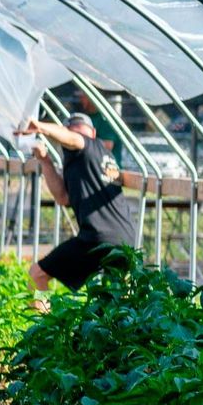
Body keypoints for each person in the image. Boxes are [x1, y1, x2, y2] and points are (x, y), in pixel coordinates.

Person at [19, 113, 137, 291]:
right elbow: (63, 198)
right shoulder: (85, 161)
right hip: (123, 237)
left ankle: (43, 317)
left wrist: (40, 126)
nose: (75, 133)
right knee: (117, 297)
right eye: (71, 128)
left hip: (98, 237)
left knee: (37, 274)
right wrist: (45, 161)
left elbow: (75, 140)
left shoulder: (89, 146)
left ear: (93, 133)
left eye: (80, 129)